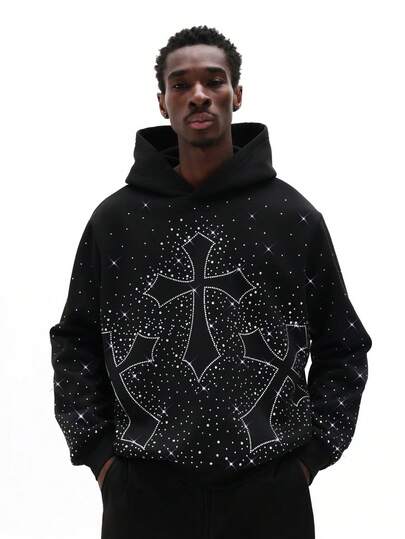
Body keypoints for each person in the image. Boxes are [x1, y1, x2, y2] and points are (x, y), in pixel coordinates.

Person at [49, 25, 372, 539]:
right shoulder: (116, 221)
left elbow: (343, 345)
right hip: (143, 495)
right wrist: (100, 457)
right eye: (181, 84)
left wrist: (308, 460)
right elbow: (75, 340)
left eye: (214, 81)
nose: (198, 94)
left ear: (236, 94)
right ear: (162, 102)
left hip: (269, 494)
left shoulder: (292, 217)